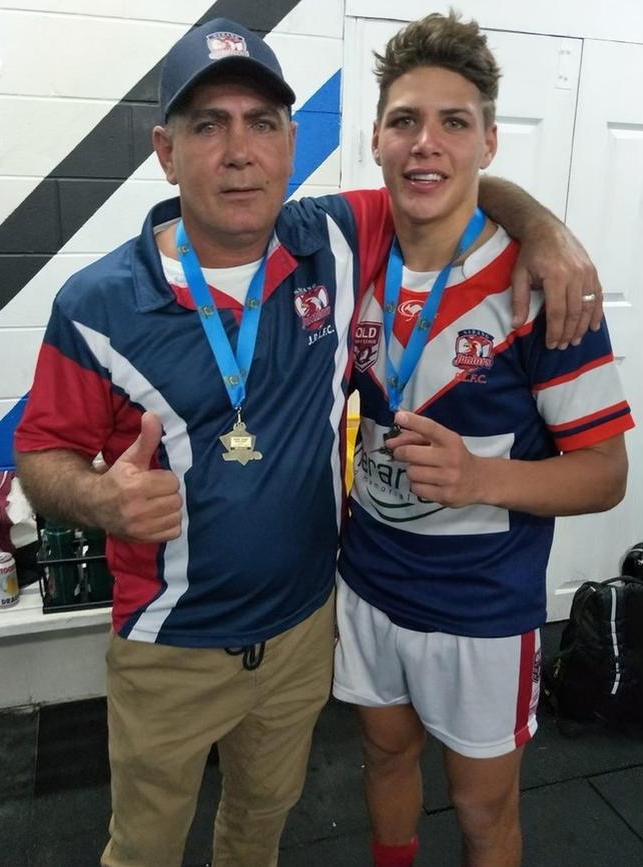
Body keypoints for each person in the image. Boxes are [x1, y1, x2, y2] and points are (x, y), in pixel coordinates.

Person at [13, 16, 605, 867]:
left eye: (261, 123)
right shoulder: (97, 303)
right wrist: (99, 497)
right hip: (170, 646)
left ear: (292, 144)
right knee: (141, 847)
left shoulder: (327, 238)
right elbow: (41, 458)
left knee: (259, 832)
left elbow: (443, 178)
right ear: (164, 151)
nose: (238, 150)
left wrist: (545, 229)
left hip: (302, 632)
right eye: (207, 125)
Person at [333, 11, 634, 867]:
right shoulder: (354, 247)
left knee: (480, 808)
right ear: (378, 141)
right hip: (368, 580)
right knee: (383, 756)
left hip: (480, 611)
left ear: (489, 142)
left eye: (454, 123)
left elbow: (606, 474)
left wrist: (480, 481)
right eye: (405, 121)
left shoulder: (543, 285)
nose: (426, 143)